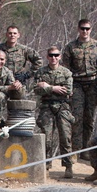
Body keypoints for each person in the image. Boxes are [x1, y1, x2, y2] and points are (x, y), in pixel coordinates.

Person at [62, 19, 97, 156]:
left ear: (91, 29)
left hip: (93, 84)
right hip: (77, 84)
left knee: (90, 118)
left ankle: (86, 150)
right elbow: (66, 68)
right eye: (82, 28)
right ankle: (76, 150)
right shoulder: (70, 47)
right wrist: (68, 87)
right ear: (78, 29)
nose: (85, 31)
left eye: (87, 28)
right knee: (76, 118)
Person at [34, 46, 75, 178]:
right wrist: (54, 88)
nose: (54, 58)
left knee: (65, 136)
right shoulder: (41, 72)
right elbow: (36, 89)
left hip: (63, 106)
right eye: (51, 55)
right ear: (47, 56)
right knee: (47, 137)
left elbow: (68, 90)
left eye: (56, 55)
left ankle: (68, 166)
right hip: (46, 106)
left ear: (60, 56)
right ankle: (46, 165)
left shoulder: (66, 72)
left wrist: (47, 87)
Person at [0, 26, 42, 99]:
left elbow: (38, 61)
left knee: (21, 104)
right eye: (10, 33)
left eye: (14, 33)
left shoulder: (24, 50)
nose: (12, 35)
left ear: (18, 35)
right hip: (1, 81)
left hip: (18, 81)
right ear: (6, 34)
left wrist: (27, 75)